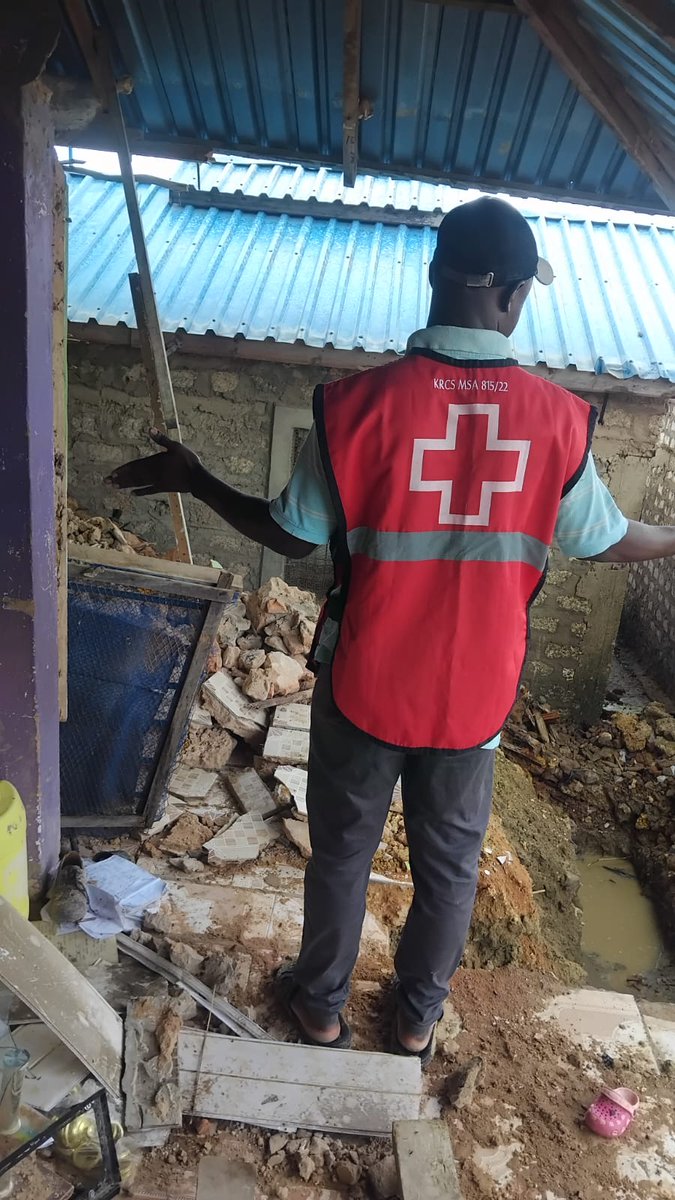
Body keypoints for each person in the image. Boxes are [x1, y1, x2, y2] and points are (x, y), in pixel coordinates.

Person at [109, 196, 675, 1064]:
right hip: (475, 697)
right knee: (448, 868)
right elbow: (603, 540)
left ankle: (321, 1009)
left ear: (429, 277)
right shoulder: (559, 421)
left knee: (340, 853)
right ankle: (414, 1020)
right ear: (517, 298)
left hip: (365, 682)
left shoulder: (353, 407)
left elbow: (285, 532)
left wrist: (198, 479)